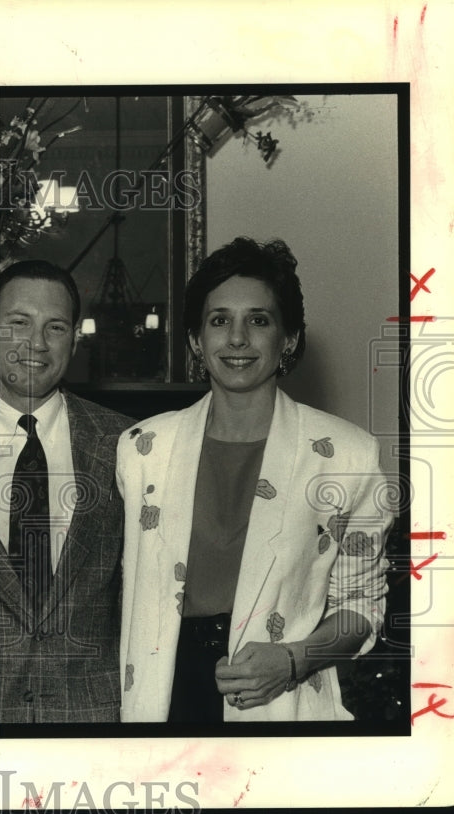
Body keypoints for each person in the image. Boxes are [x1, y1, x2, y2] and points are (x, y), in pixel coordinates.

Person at [116, 237, 392, 722]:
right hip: (161, 700)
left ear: (288, 339)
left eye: (258, 320)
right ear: (196, 341)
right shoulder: (143, 449)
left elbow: (362, 605)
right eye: (219, 320)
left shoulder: (347, 454)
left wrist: (291, 660)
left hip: (278, 701)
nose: (237, 338)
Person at [0, 260, 134, 723]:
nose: (36, 343)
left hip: (90, 721)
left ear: (75, 338)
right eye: (18, 323)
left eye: (55, 327)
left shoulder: (126, 444)